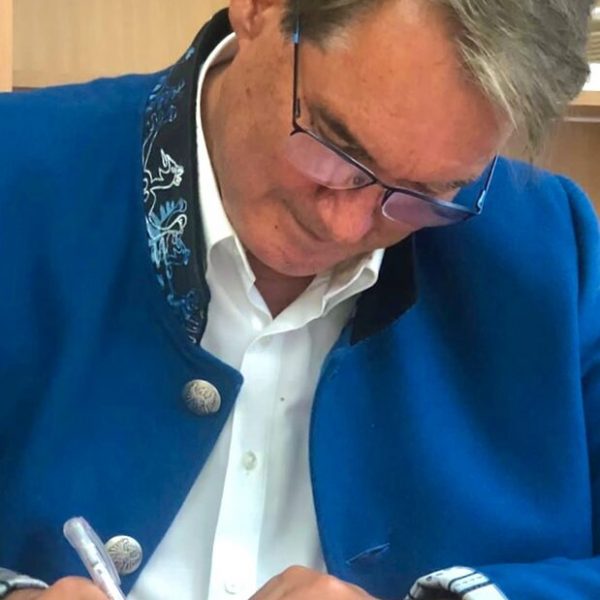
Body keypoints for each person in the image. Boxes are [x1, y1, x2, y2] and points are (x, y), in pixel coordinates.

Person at [0, 0, 598, 599]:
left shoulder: (551, 251)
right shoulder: (18, 173)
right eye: (334, 146)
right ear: (259, 8)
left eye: (426, 193)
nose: (346, 226)